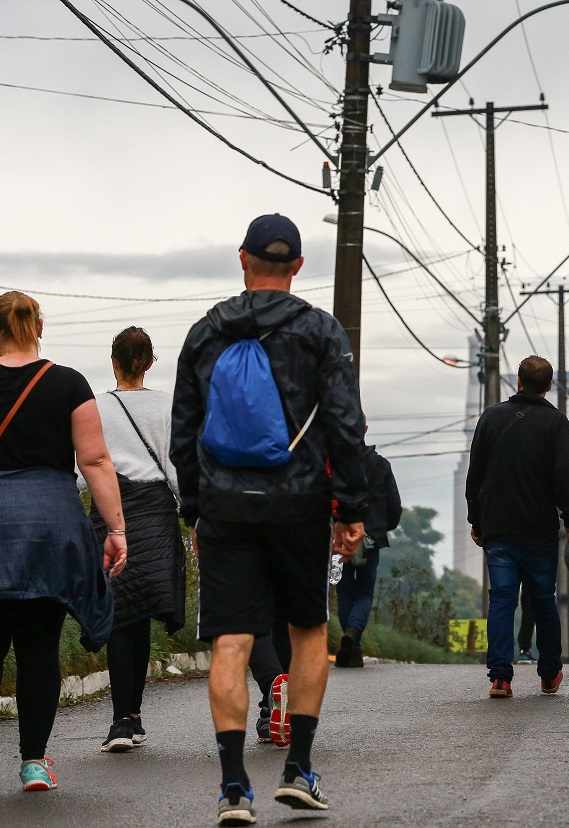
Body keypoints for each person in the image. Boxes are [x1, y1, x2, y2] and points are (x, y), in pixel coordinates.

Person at [171, 214, 368, 825]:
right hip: (299, 504)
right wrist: (351, 507)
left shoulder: (206, 333)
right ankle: (299, 769)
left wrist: (197, 509)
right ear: (299, 266)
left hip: (227, 508)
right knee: (308, 630)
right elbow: (344, 423)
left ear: (243, 259)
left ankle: (233, 787)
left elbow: (185, 433)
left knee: (232, 639)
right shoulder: (320, 331)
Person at [0, 291, 124, 792]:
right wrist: (115, 529)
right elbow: (94, 460)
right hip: (49, 528)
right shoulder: (68, 382)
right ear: (39, 328)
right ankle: (33, 763)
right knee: (38, 646)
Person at [465, 355, 569, 699]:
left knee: (501, 600)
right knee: (544, 600)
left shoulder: (491, 417)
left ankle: (500, 677)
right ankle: (548, 673)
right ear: (549, 386)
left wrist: (476, 519)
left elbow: (476, 474)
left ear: (517, 381)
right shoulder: (556, 423)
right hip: (539, 530)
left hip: (498, 528)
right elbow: (564, 475)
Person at [93, 327, 185, 753]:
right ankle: (133, 717)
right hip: (156, 512)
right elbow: (177, 466)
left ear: (114, 361)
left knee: (118, 613)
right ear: (149, 362)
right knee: (142, 611)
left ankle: (120, 722)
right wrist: (194, 516)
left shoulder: (95, 407)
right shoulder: (167, 406)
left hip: (111, 509)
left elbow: (84, 469)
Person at [336, 436, 402, 669]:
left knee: (344, 594)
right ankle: (353, 636)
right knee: (364, 592)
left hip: (340, 536)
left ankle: (352, 647)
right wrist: (382, 528)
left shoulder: (336, 463)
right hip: (372, 537)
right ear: (364, 429)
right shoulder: (381, 465)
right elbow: (394, 507)